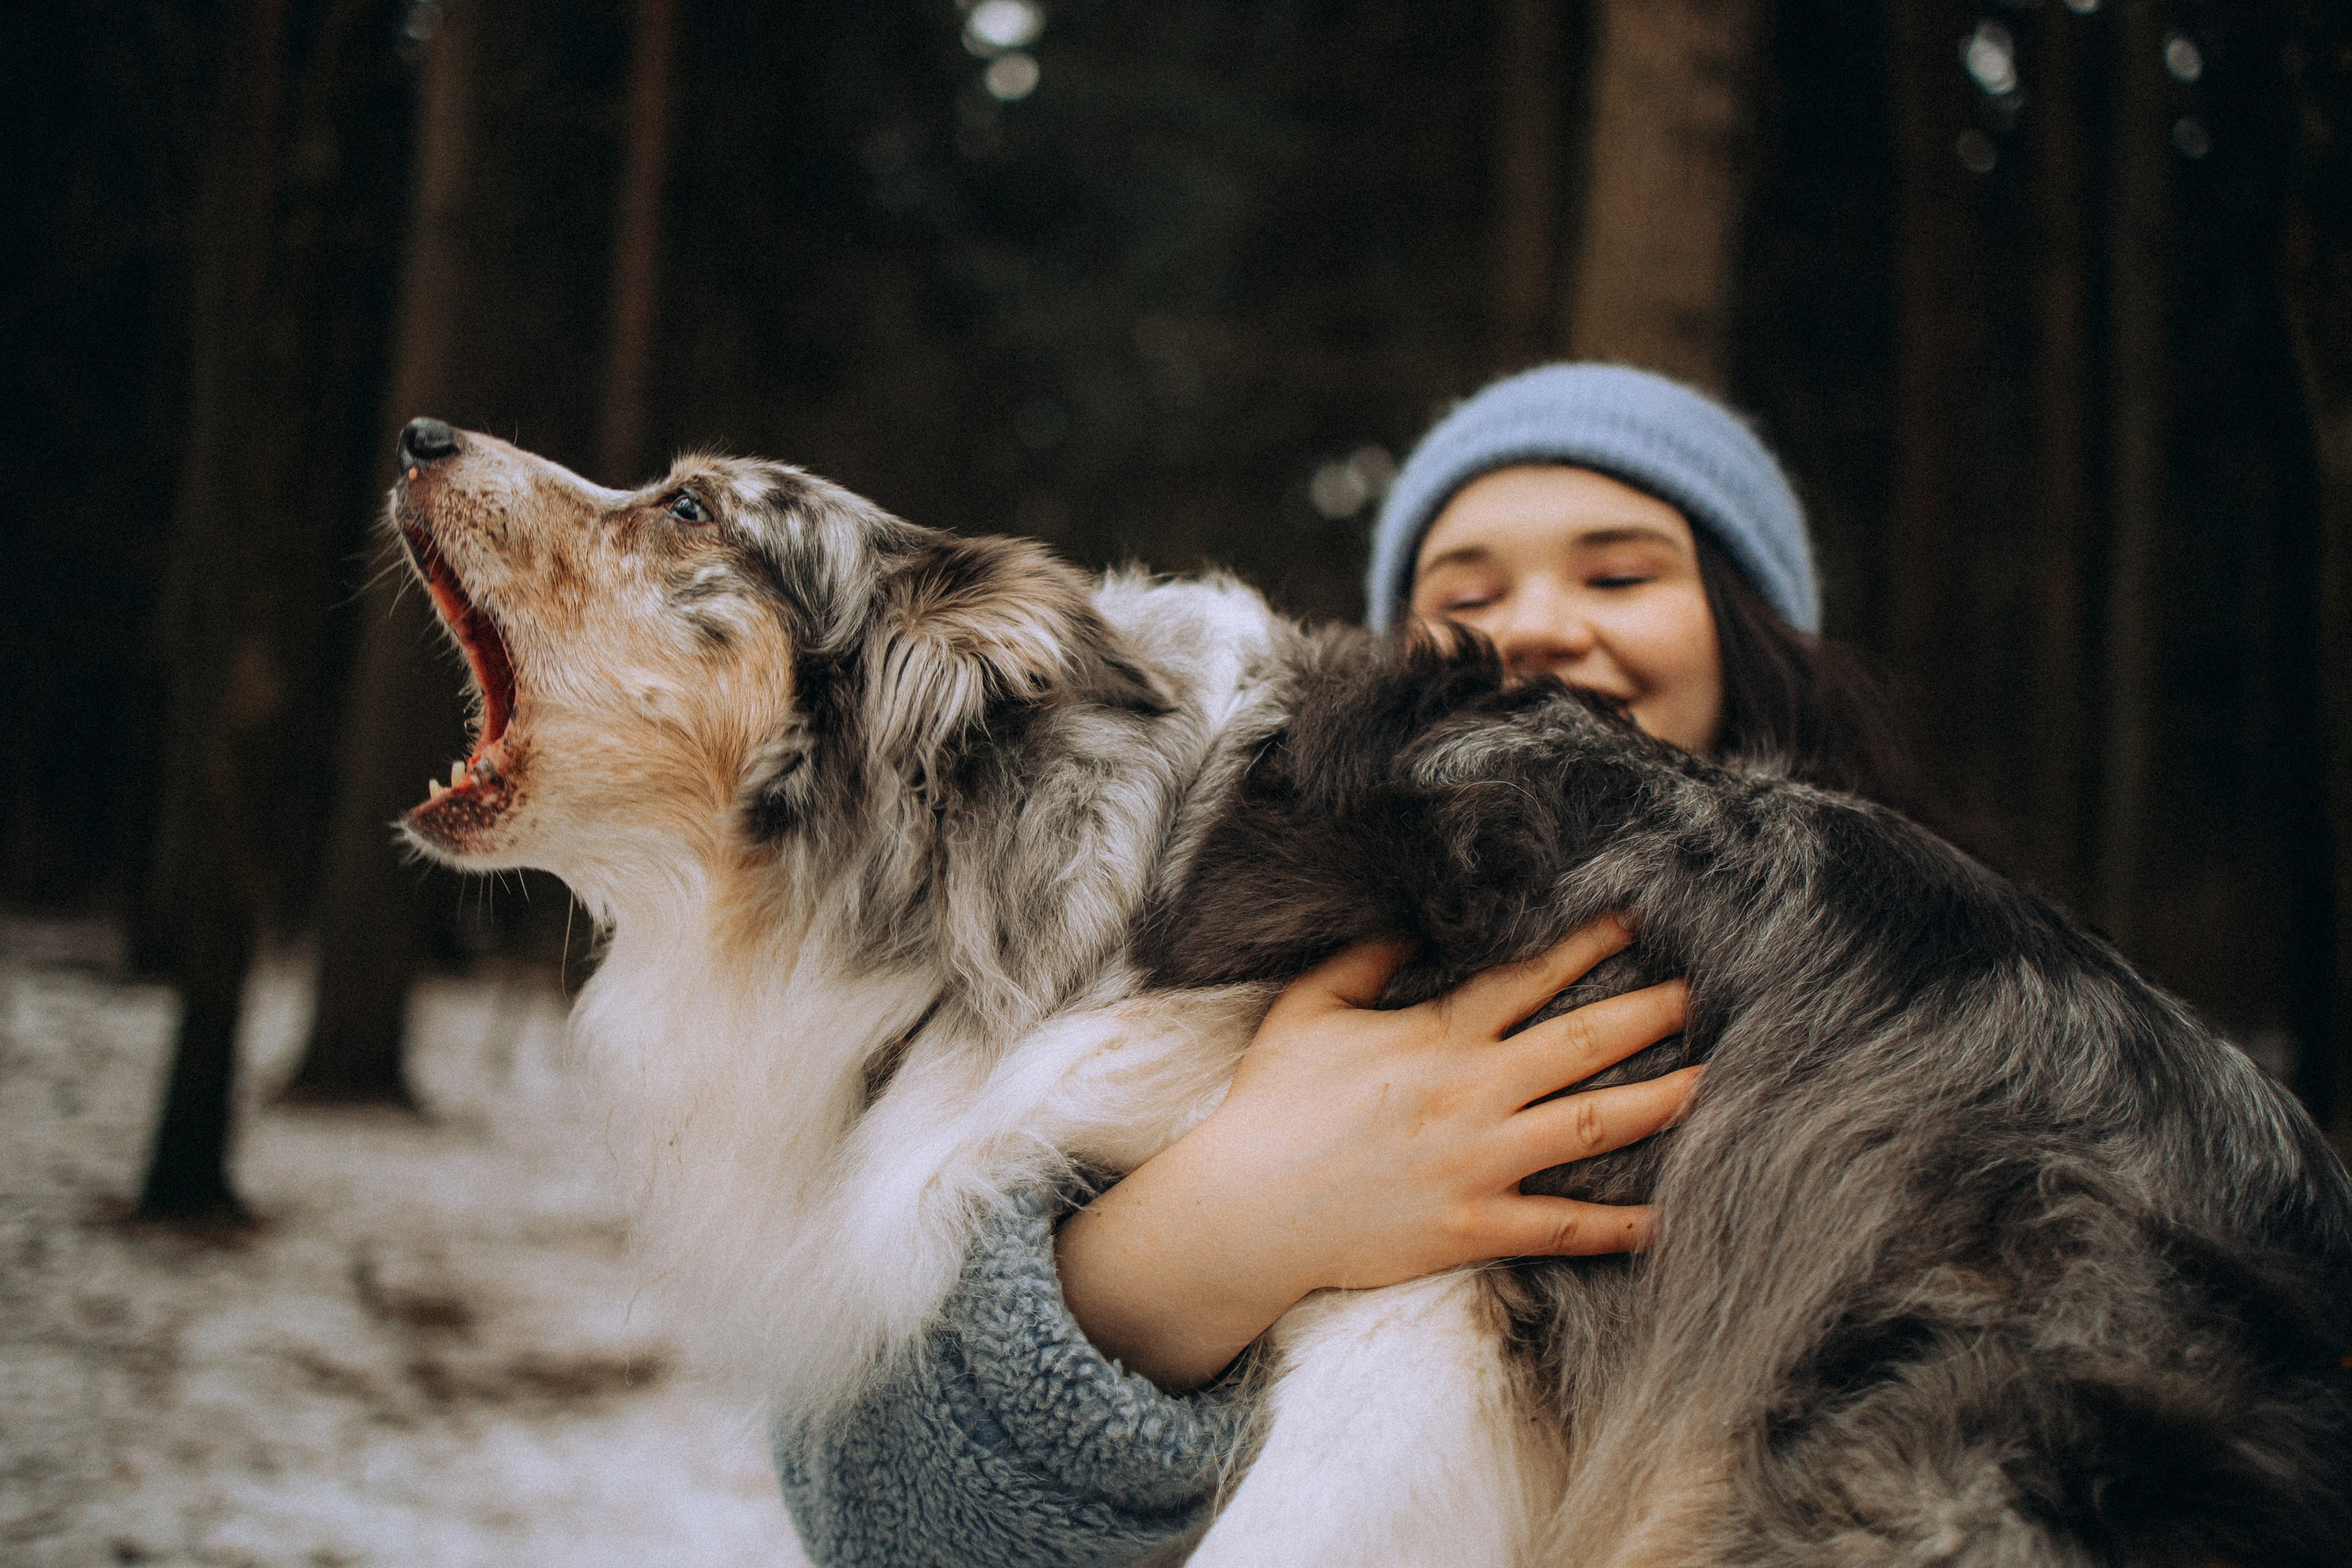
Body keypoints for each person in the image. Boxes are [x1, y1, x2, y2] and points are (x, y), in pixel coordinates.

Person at [776, 364, 1913, 1567]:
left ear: (1753, 629)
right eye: (1465, 592)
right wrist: (1213, 1232)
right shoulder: (1187, 953)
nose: (1535, 624)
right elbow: (876, 1517)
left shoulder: (1970, 1030)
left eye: (1620, 576)